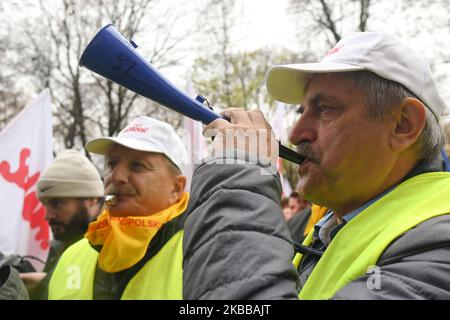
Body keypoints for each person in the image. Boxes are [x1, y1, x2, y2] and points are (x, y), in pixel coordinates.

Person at [182, 32, 450, 299]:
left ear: (403, 125)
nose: (296, 134)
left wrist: (237, 176)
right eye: (301, 112)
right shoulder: (332, 229)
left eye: (325, 110)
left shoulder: (440, 241)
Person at [47, 116, 189, 299]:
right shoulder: (72, 256)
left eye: (137, 166)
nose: (116, 176)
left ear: (176, 188)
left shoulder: (201, 249)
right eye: (112, 164)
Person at [21, 149, 104, 299]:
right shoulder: (62, 245)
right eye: (45, 205)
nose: (48, 216)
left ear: (92, 199)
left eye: (57, 204)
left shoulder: (115, 249)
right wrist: (44, 284)